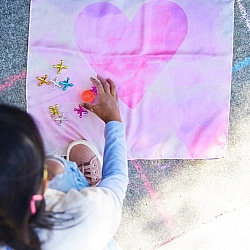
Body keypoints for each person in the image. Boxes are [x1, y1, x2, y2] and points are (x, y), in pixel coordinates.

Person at [0, 75, 128, 250]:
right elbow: (117, 179)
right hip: (88, 234)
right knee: (65, 172)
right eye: (42, 167)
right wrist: (114, 121)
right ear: (46, 180)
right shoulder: (85, 218)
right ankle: (88, 187)